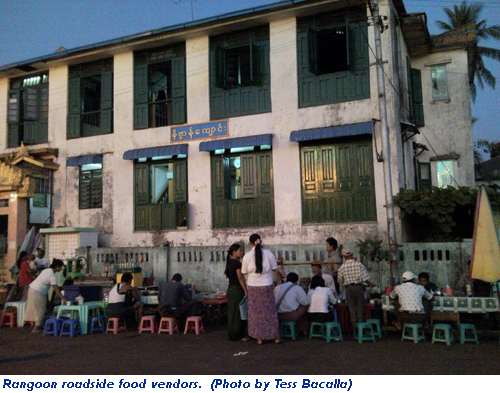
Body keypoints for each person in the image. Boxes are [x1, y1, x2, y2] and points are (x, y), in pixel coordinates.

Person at [241, 233, 282, 345]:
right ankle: (275, 337)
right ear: (261, 242)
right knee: (270, 311)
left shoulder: (247, 256)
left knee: (255, 313)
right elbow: (274, 268)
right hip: (267, 286)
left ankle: (259, 338)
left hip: (253, 286)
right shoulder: (269, 254)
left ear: (250, 243)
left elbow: (244, 272)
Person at [24, 259, 67, 333]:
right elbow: (56, 290)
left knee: (37, 309)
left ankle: (39, 325)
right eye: (60, 267)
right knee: (41, 309)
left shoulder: (46, 270)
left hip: (32, 289)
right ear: (57, 267)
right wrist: (64, 299)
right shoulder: (52, 276)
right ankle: (36, 328)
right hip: (38, 292)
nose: (61, 269)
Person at [337, 247, 374, 329]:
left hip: (349, 288)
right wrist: (370, 284)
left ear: (344, 257)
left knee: (352, 308)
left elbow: (340, 280)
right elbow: (365, 278)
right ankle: (361, 329)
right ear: (352, 255)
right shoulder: (359, 264)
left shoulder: (342, 267)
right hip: (359, 287)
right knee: (360, 307)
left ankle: (355, 330)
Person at [224, 243, 249, 341]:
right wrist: (245, 290)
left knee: (232, 312)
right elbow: (240, 278)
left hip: (231, 289)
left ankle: (232, 333)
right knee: (239, 312)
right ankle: (239, 333)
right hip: (237, 290)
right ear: (234, 252)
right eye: (240, 251)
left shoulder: (229, 262)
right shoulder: (237, 263)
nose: (241, 253)